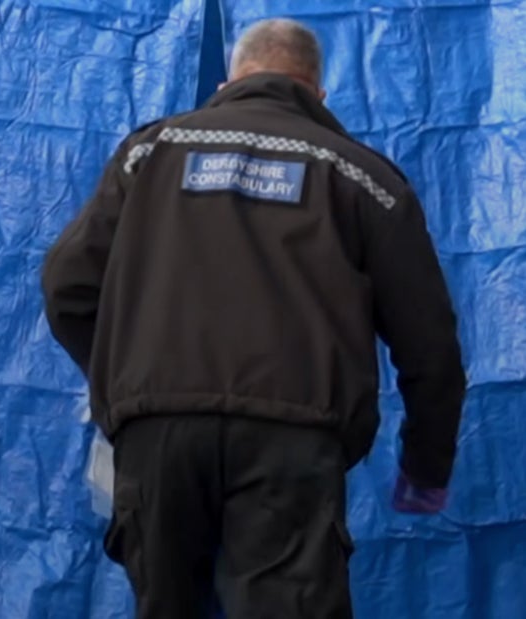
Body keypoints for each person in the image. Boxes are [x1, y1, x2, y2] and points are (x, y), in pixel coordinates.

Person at [42, 18, 466, 619]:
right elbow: (430, 345)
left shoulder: (150, 153)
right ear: (319, 95)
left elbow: (66, 286)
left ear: (224, 84)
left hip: (157, 431)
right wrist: (425, 471)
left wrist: (128, 379)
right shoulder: (364, 178)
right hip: (292, 440)